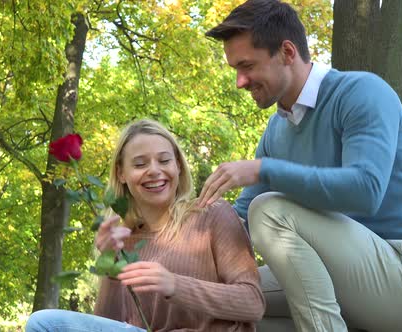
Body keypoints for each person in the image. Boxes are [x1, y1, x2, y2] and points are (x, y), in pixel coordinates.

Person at [198, 0, 402, 331]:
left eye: (247, 66)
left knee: (270, 210)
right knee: (218, 303)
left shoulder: (362, 93)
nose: (240, 81)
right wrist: (172, 234)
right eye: (235, 69)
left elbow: (365, 190)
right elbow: (239, 221)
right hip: (335, 283)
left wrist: (263, 170)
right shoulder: (278, 130)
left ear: (287, 52)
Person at [26, 119, 264, 332]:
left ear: (178, 166)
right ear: (121, 174)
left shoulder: (212, 214)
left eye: (164, 160)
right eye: (140, 164)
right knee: (42, 322)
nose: (154, 171)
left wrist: (174, 285)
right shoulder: (124, 237)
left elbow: (253, 303)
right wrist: (111, 263)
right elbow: (109, 323)